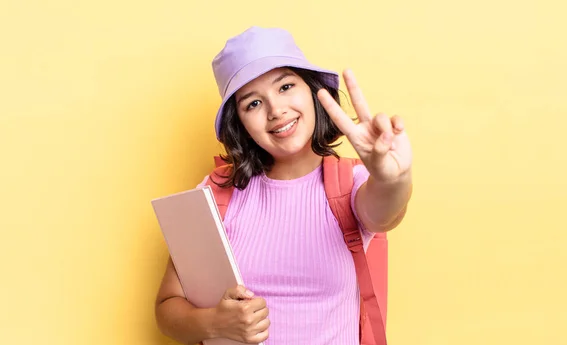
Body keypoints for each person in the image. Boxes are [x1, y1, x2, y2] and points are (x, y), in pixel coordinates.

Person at [154, 26, 413, 345]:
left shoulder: (351, 184)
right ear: (241, 125)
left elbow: (386, 210)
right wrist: (213, 324)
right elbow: (167, 308)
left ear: (313, 91)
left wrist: (392, 179)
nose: (276, 111)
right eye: (253, 103)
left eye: (286, 86)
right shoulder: (216, 192)